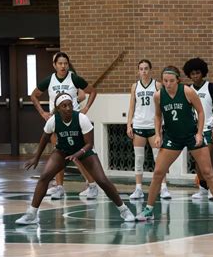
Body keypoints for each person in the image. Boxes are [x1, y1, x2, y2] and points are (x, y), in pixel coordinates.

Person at [16, 93, 135, 224]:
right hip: (63, 151)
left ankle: (124, 210)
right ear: (58, 108)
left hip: (84, 151)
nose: (68, 108)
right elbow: (44, 138)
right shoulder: (53, 120)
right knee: (44, 176)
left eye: (70, 105)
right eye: (64, 106)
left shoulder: (81, 118)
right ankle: (32, 214)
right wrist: (36, 158)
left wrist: (78, 155)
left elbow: (90, 144)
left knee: (102, 180)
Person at [135, 66, 213, 221]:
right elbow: (158, 116)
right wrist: (158, 134)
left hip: (191, 135)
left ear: (177, 80)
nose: (168, 84)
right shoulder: (158, 96)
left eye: (171, 81)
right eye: (165, 81)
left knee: (208, 173)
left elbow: (200, 111)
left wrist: (199, 133)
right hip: (173, 137)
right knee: (158, 172)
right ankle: (149, 209)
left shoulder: (187, 91)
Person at [30, 52, 98, 200]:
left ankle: (92, 184)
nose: (63, 66)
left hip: (73, 121)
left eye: (65, 63)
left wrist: (85, 109)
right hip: (57, 121)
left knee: (77, 155)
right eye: (60, 63)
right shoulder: (49, 80)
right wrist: (42, 113)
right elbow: (34, 95)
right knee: (58, 153)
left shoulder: (73, 78)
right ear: (54, 65)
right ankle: (59, 187)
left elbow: (91, 91)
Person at [126, 59, 171, 200]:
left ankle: (163, 188)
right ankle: (138, 189)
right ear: (138, 70)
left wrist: (164, 124)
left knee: (159, 159)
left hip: (153, 127)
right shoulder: (135, 87)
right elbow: (132, 106)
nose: (144, 71)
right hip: (139, 125)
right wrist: (129, 124)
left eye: (146, 68)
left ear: (150, 70)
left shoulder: (157, 85)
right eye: (141, 68)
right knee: (139, 159)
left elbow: (164, 106)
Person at [182, 58, 213, 201]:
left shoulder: (211, 87)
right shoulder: (187, 89)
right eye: (192, 73)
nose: (195, 76)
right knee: (198, 161)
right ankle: (203, 188)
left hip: (208, 127)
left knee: (208, 158)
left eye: (198, 73)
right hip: (194, 130)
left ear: (203, 73)